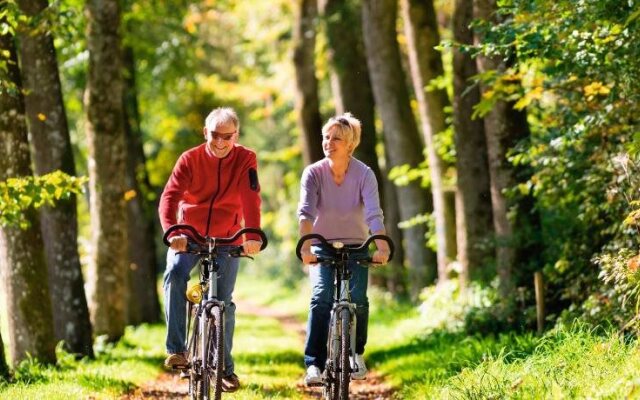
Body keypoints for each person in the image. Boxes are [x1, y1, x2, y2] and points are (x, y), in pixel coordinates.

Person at [158, 107, 263, 393]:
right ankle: (177, 349)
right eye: (215, 135)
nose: (220, 142)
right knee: (175, 273)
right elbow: (170, 197)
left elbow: (251, 197)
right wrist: (172, 231)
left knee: (224, 303)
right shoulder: (189, 159)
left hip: (228, 236)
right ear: (206, 132)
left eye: (227, 136)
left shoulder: (245, 158)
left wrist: (252, 234)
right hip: (188, 234)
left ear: (236, 135)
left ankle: (225, 369)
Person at [297, 112, 390, 386]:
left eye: (336, 138)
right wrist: (305, 246)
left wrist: (381, 246)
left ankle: (356, 353)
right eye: (326, 137)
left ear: (350, 144)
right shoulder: (313, 172)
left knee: (359, 300)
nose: (329, 142)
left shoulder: (364, 174)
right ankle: (314, 364)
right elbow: (305, 213)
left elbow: (374, 214)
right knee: (321, 297)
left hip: (357, 246)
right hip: (322, 247)